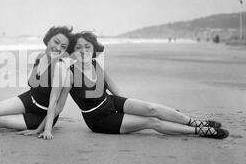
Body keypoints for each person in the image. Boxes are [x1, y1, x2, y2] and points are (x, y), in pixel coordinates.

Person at [21, 31, 229, 139]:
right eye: (78, 47)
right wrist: (41, 129)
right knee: (151, 122)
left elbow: (117, 92)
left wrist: (130, 107)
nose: (83, 51)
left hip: (111, 103)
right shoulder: (68, 73)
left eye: (88, 47)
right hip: (99, 119)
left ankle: (196, 122)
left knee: (151, 108)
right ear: (72, 51)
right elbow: (57, 106)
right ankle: (201, 133)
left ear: (93, 49)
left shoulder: (95, 64)